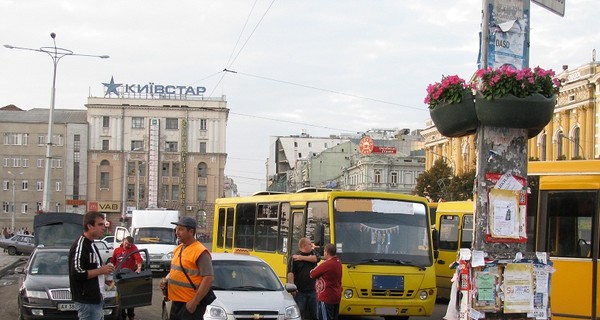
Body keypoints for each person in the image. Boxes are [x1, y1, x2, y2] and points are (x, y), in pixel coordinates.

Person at [159, 216, 214, 320]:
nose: (177, 232)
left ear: (191, 231)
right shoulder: (178, 248)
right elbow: (177, 271)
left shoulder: (200, 251)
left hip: (190, 304)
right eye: (176, 229)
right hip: (176, 302)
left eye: (181, 229)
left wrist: (194, 303)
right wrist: (166, 280)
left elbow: (208, 278)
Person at [69, 212, 115, 320]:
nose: (104, 228)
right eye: (100, 225)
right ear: (89, 226)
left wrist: (104, 279)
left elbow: (93, 268)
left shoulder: (92, 244)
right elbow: (77, 273)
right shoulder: (80, 245)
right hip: (87, 301)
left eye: (104, 224)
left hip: (97, 298)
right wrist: (101, 271)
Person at [109, 236, 143, 320]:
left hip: (128, 277)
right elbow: (112, 261)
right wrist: (110, 269)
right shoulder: (117, 250)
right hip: (118, 277)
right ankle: (122, 315)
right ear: (123, 241)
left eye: (129, 244)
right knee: (120, 297)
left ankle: (131, 315)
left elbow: (138, 258)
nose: (127, 245)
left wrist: (139, 268)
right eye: (126, 243)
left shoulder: (133, 248)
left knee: (129, 297)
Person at [287, 237, 320, 319]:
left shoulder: (313, 253)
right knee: (299, 314)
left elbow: (316, 258)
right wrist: (292, 287)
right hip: (300, 292)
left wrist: (301, 258)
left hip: (312, 291)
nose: (312, 246)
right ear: (304, 246)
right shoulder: (293, 258)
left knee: (315, 314)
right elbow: (290, 273)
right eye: (309, 244)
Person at [309, 243, 342, 320]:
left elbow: (312, 274)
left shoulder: (327, 264)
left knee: (325, 317)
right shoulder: (338, 262)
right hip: (336, 295)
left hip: (326, 297)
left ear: (326, 252)